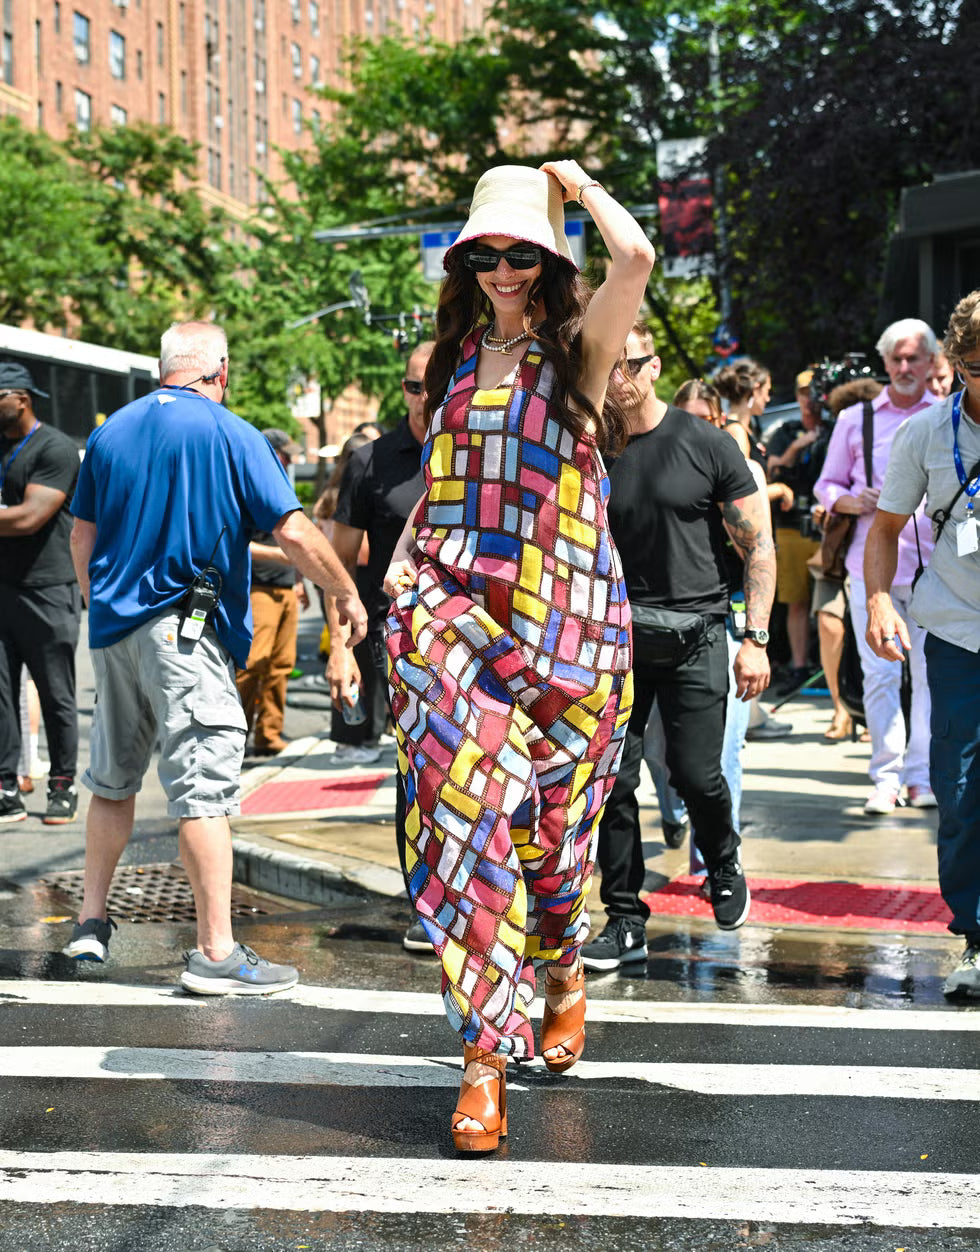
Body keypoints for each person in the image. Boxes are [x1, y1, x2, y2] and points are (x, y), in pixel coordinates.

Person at [383, 161, 654, 1152]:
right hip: (453, 621)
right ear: (465, 260)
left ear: (545, 258)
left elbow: (635, 254)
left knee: (547, 839)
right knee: (468, 830)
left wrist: (577, 185)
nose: (502, 268)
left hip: (569, 630)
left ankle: (564, 961)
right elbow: (447, 487)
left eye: (520, 251)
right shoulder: (445, 360)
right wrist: (406, 565)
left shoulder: (578, 353)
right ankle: (483, 1058)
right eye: (485, 252)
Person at [63, 321, 367, 994]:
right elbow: (291, 528)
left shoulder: (110, 433)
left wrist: (102, 604)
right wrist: (344, 592)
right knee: (204, 791)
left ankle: (89, 922)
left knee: (112, 782)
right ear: (218, 370)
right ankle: (215, 953)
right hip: (184, 634)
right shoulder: (233, 433)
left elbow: (81, 536)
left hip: (114, 632)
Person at [584, 324, 775, 972]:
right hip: (613, 643)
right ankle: (624, 918)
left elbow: (758, 547)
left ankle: (722, 860)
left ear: (654, 366)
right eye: (606, 364)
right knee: (612, 782)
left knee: (696, 775)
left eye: (627, 365)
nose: (616, 379)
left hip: (697, 636)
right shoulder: (589, 447)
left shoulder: (707, 443)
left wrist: (755, 639)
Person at [864, 289, 980, 996]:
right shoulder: (927, 436)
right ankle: (974, 934)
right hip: (959, 632)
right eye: (974, 363)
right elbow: (884, 530)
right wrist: (879, 599)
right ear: (957, 361)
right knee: (962, 790)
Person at [325, 341, 435, 945]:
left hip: (480, 641)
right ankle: (426, 903)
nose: (423, 398)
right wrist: (340, 649)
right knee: (416, 775)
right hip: (397, 642)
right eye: (412, 386)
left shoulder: (479, 447)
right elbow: (338, 566)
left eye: (433, 384)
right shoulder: (371, 461)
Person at [815, 318, 939, 815]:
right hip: (873, 572)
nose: (905, 367)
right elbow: (826, 486)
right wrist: (850, 499)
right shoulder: (856, 420)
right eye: (897, 359)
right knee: (881, 676)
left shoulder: (949, 416)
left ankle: (921, 777)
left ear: (932, 362)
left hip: (938, 569)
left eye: (914, 358)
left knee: (931, 676)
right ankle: (886, 777)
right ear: (884, 362)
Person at [0, 362, 82, 826]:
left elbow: (32, 515)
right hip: (2, 587)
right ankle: (6, 787)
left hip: (49, 589)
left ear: (21, 399)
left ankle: (62, 785)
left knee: (55, 693)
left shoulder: (55, 448)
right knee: (0, 694)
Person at [810, 376, 884, 741]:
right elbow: (819, 486)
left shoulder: (888, 437)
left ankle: (873, 714)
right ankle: (840, 706)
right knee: (829, 622)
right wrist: (830, 505)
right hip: (834, 549)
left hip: (878, 550)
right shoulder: (828, 438)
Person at [312, 427, 384, 765]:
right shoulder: (354, 493)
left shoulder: (330, 494)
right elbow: (359, 553)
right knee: (360, 660)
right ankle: (360, 733)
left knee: (349, 658)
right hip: (356, 582)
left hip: (339, 581)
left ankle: (354, 734)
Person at [236, 428, 309, 756]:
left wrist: (297, 579)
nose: (291, 460)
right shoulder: (247, 488)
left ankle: (268, 735)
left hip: (283, 588)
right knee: (252, 664)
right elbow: (236, 545)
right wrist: (282, 557)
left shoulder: (282, 486)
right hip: (258, 588)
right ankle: (236, 738)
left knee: (281, 664)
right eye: (285, 454)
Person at [765, 370, 825, 693]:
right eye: (803, 391)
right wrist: (800, 444)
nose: (809, 397)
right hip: (791, 526)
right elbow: (772, 467)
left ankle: (833, 668)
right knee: (796, 601)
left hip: (829, 527)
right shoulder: (786, 430)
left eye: (814, 391)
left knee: (830, 604)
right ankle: (799, 665)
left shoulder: (837, 426)